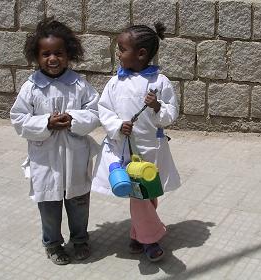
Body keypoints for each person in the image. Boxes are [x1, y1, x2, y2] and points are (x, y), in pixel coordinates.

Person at [10, 18, 100, 265]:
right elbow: (18, 119)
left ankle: (80, 239)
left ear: (68, 54)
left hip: (75, 159)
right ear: (36, 57)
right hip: (45, 161)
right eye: (46, 54)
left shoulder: (79, 84)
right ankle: (52, 244)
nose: (52, 59)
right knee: (49, 207)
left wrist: (73, 119)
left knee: (79, 204)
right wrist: (45, 123)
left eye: (58, 53)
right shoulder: (31, 88)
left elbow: (94, 113)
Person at [91, 22, 180, 262]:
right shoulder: (115, 83)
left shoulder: (160, 82)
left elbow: (172, 113)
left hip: (152, 150)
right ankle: (150, 239)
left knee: (149, 193)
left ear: (140, 54)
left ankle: (137, 233)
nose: (117, 53)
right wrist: (119, 126)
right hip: (125, 151)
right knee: (138, 195)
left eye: (121, 49)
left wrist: (157, 106)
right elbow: (104, 110)